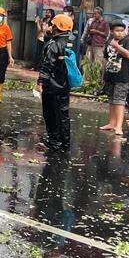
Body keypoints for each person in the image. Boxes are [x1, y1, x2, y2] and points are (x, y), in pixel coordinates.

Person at [37, 13, 74, 153]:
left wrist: (40, 82)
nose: (51, 27)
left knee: (50, 114)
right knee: (63, 115)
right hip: (64, 85)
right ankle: (65, 142)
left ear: (58, 27)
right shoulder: (70, 42)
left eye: (53, 25)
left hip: (52, 86)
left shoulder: (54, 45)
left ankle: (54, 141)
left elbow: (47, 66)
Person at [99, 20, 129, 136]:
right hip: (110, 75)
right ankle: (112, 123)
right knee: (112, 100)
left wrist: (117, 46)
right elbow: (106, 58)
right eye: (117, 31)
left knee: (119, 101)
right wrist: (103, 75)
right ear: (112, 31)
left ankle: (119, 126)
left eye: (122, 31)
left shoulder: (127, 41)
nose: (120, 33)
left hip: (122, 76)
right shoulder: (109, 41)